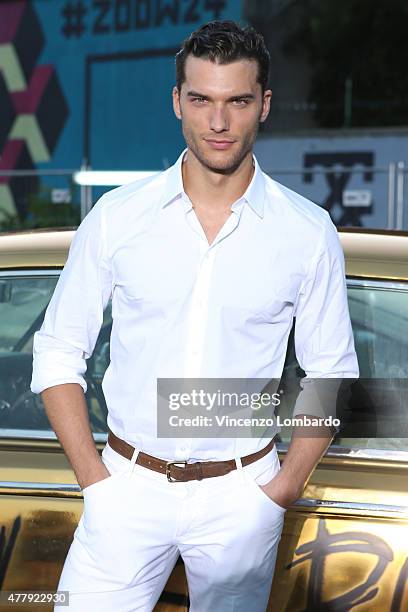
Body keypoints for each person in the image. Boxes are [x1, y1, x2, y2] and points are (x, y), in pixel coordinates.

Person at [30, 19, 359, 612]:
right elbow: (56, 349)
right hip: (125, 487)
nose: (218, 121)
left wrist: (278, 494)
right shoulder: (117, 217)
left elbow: (330, 374)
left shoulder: (306, 232)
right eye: (202, 99)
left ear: (264, 105)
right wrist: (95, 485)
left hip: (243, 494)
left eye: (237, 101)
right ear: (177, 101)